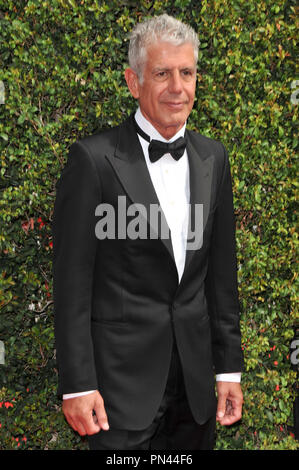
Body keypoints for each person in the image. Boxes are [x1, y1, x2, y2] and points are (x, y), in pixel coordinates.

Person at [52, 14, 244, 451]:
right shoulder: (93, 160)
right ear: (133, 81)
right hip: (118, 393)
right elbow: (72, 284)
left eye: (187, 72)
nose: (178, 87)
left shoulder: (213, 158)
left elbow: (220, 276)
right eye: (162, 73)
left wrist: (228, 370)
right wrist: (77, 384)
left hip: (194, 394)